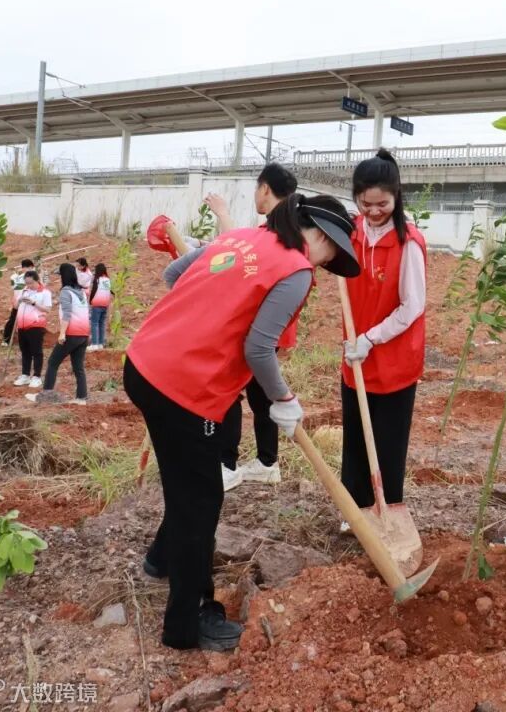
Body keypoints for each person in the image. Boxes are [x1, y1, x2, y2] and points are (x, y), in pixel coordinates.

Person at [128, 193, 359, 652]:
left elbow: (174, 276)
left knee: (186, 481)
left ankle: (160, 560)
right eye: (332, 252)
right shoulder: (296, 269)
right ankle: (188, 622)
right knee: (202, 500)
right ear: (320, 235)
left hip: (143, 364)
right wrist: (284, 399)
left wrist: (209, 314)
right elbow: (259, 348)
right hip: (185, 387)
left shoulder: (241, 237)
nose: (327, 263)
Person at [339, 150, 426, 529]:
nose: (373, 212)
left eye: (382, 204)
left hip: (393, 359)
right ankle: (355, 513)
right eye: (365, 203)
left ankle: (388, 512)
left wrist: (371, 339)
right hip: (355, 356)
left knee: (388, 444)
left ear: (396, 197)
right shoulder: (350, 233)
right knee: (356, 440)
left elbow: (413, 306)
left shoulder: (409, 244)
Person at [203, 162, 300, 489]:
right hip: (273, 325)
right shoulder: (291, 228)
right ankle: (267, 462)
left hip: (255, 325)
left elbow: (240, 253)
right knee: (260, 394)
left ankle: (226, 464)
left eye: (256, 189)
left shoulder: (274, 230)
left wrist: (222, 214)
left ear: (265, 189)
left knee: (230, 390)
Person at [26, 263, 91, 406]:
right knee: (79, 368)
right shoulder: (81, 292)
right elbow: (86, 313)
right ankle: (82, 398)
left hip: (71, 334)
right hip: (83, 335)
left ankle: (46, 396)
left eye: (60, 275)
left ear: (64, 276)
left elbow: (67, 314)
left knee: (52, 363)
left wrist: (62, 333)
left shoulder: (66, 292)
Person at [12, 271, 51, 388]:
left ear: (37, 280)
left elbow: (47, 309)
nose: (29, 285)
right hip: (22, 326)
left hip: (36, 325)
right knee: (25, 351)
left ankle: (37, 376)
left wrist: (34, 303)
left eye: (31, 283)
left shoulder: (45, 292)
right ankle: (25, 375)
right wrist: (19, 300)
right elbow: (15, 307)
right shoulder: (24, 291)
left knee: (36, 351)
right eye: (27, 283)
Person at [2, 259, 37, 346]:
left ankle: (6, 340)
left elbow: (14, 289)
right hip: (25, 302)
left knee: (13, 320)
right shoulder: (30, 277)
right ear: (31, 267)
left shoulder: (14, 277)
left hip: (17, 301)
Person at [88, 263, 112, 351]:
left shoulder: (97, 279)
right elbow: (109, 290)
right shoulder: (107, 279)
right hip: (105, 304)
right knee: (102, 324)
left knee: (94, 323)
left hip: (97, 303)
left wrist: (90, 300)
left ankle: (94, 344)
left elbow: (94, 290)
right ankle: (101, 343)